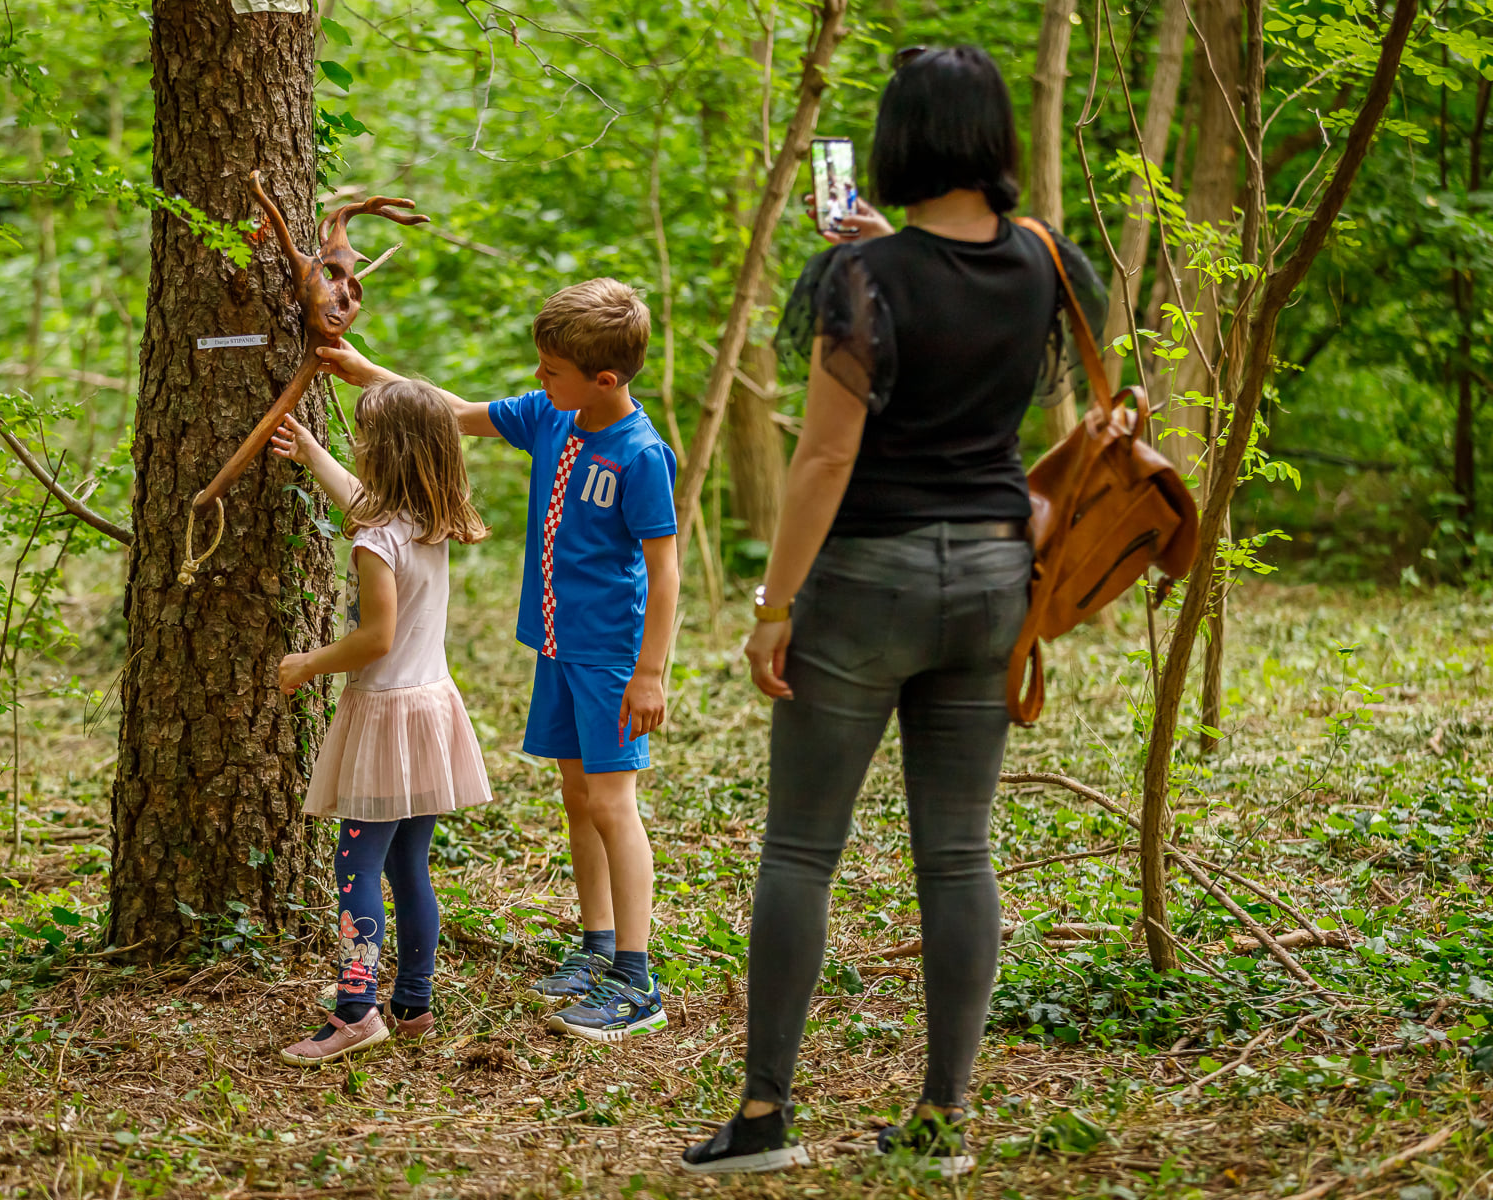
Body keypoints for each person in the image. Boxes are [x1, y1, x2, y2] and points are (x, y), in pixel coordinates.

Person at [681, 45, 1106, 1175]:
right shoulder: (1044, 263)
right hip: (992, 582)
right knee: (959, 857)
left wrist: (774, 605)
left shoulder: (865, 281)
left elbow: (824, 456)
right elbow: (994, 358)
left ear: (899, 140)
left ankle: (765, 1119)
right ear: (996, 138)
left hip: (868, 581)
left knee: (801, 852)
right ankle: (942, 1125)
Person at [316, 278, 681, 1043]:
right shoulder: (554, 413)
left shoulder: (642, 455)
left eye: (551, 370)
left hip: (612, 655)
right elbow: (454, 412)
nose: (539, 381)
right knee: (579, 797)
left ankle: (636, 980)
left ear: (604, 379)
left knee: (614, 803)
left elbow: (665, 567)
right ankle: (598, 946)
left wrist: (651, 672)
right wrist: (366, 369)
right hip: (558, 647)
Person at [270, 379, 495, 1065]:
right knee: (409, 865)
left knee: (356, 863)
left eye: (364, 437)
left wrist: (308, 662)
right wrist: (312, 453)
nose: (357, 446)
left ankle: (356, 1011)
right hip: (429, 708)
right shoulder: (427, 518)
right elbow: (366, 506)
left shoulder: (375, 538)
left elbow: (375, 639)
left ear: (389, 450)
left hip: (386, 715)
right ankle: (414, 1003)